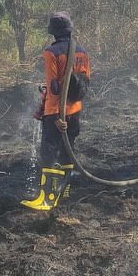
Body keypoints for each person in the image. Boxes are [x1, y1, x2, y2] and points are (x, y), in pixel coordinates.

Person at [22, 11, 91, 211]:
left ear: (53, 33)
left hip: (56, 111)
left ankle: (47, 198)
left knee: (48, 152)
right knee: (67, 150)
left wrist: (54, 114)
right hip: (75, 110)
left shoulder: (51, 52)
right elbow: (85, 82)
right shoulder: (83, 52)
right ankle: (64, 193)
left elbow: (53, 86)